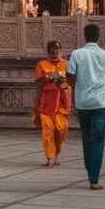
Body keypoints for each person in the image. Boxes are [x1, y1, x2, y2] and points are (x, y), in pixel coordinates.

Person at [66, 23, 105, 190]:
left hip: (83, 102)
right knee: (98, 139)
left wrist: (77, 87)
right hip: (101, 102)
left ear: (84, 36)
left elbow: (70, 75)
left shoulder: (77, 54)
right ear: (98, 37)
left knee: (86, 137)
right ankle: (94, 177)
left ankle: (90, 169)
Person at [33, 39, 71, 167]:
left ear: (61, 51)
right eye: (52, 51)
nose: (55, 53)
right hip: (47, 103)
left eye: (57, 50)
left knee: (61, 129)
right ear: (48, 52)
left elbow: (72, 80)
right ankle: (50, 157)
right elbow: (38, 84)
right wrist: (49, 78)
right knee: (48, 130)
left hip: (62, 102)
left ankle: (56, 153)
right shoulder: (41, 65)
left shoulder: (66, 64)